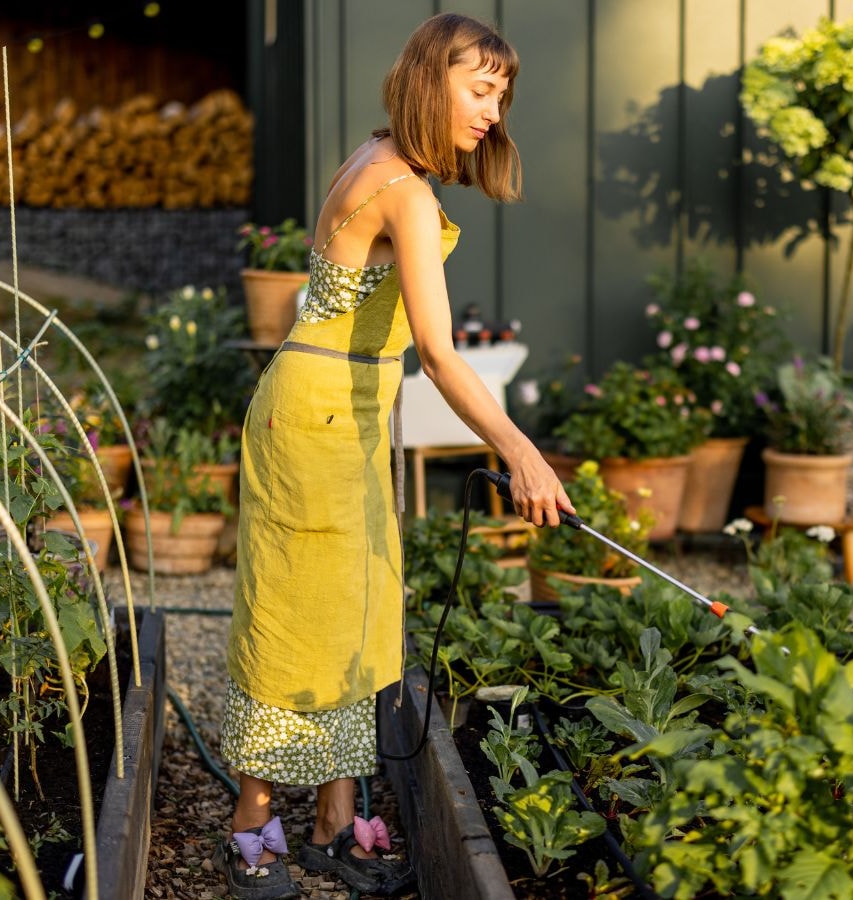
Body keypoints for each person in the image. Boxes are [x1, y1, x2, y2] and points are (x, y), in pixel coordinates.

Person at [218, 13, 575, 899]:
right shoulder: (402, 192)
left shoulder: (383, 156)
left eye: (502, 95)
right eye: (480, 90)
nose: (494, 112)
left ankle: (335, 819)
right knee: (300, 616)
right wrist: (520, 450)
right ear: (430, 81)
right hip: (319, 418)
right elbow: (442, 354)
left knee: (360, 610)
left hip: (343, 407)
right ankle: (250, 822)